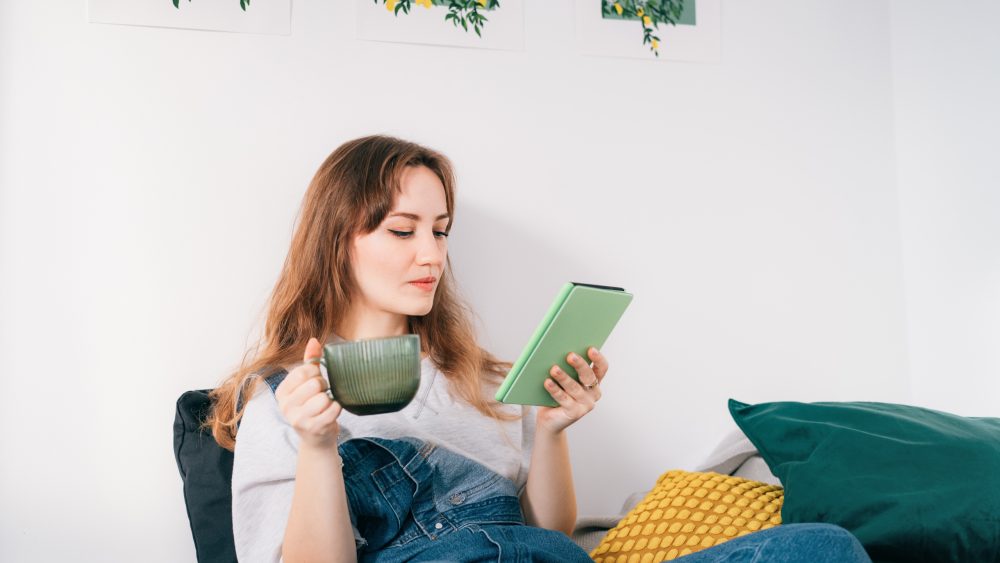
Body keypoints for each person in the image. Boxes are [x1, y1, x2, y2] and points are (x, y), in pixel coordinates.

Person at [207, 135, 872, 563]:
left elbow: (551, 532)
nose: (431, 254)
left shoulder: (482, 380)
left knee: (825, 547)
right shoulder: (283, 402)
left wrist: (551, 430)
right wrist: (320, 446)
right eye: (403, 230)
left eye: (441, 231)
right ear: (337, 243)